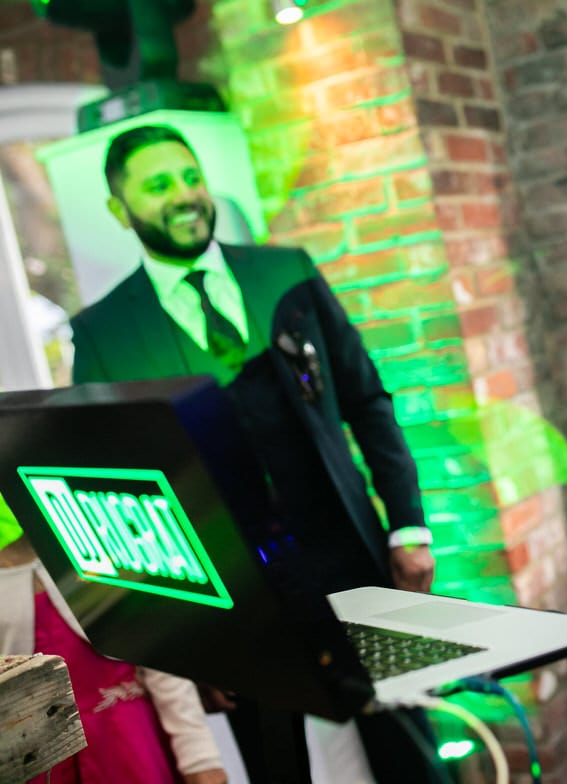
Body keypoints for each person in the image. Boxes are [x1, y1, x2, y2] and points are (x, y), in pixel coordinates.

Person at [68, 124, 438, 782]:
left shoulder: (285, 273)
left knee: (412, 754)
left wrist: (408, 524)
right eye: (158, 186)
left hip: (352, 560)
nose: (185, 196)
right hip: (241, 610)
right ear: (118, 210)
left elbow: (366, 401)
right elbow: (123, 502)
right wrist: (193, 647)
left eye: (190, 177)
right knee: (276, 772)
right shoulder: (102, 334)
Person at [0, 503, 227, 784]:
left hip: (130, 743)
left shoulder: (98, 546)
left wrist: (199, 758)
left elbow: (156, 658)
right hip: (39, 759)